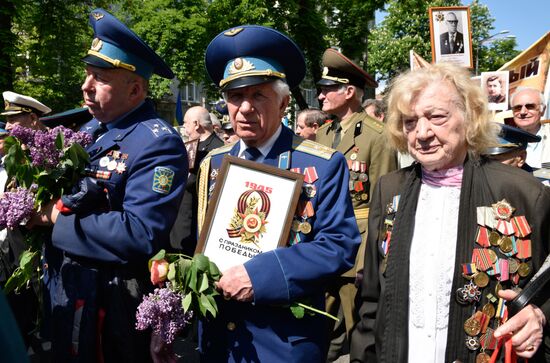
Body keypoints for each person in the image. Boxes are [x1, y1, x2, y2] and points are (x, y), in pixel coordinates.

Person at [350, 63, 550, 362]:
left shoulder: (522, 192)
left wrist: (540, 315)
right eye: (409, 121)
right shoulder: (389, 189)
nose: (422, 132)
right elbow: (372, 298)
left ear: (469, 119)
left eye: (436, 117)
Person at [190, 25, 360, 362]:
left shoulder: (322, 164)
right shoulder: (214, 162)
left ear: (283, 103)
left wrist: (259, 275)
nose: (245, 108)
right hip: (220, 339)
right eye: (236, 97)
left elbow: (338, 246)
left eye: (258, 96)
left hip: (283, 341)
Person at [29, 8, 188, 362]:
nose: (85, 86)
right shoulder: (89, 131)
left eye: (99, 78)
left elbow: (140, 232)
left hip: (110, 301)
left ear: (134, 89)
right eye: (88, 74)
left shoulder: (156, 142)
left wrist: (54, 217)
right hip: (66, 286)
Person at [315, 48, 397, 361]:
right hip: (321, 241)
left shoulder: (377, 137)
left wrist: (372, 261)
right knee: (324, 325)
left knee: (355, 331)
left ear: (349, 92)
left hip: (358, 249)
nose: (321, 97)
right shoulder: (323, 133)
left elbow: (386, 203)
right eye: (321, 91)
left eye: (327, 90)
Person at [0, 92, 51, 352]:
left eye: (13, 119)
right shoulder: (17, 153)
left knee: (39, 309)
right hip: (14, 244)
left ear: (32, 118)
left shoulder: (51, 152)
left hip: (42, 246)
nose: (7, 126)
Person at [170, 106, 223, 255]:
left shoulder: (217, 150)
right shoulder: (193, 146)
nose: (184, 128)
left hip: (195, 227)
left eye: (186, 123)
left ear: (196, 124)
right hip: (182, 226)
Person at [510, 87, 549, 169]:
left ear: (543, 110)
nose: (523, 112)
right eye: (518, 107)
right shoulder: (503, 140)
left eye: (530, 106)